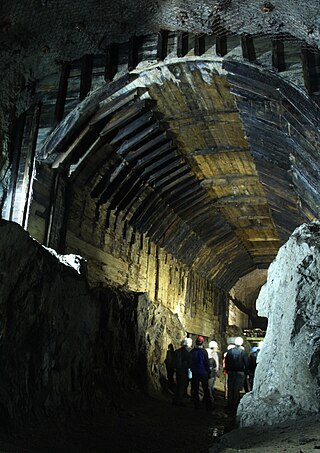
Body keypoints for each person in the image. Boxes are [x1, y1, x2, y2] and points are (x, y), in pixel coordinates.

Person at [224, 336, 248, 411]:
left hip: (231, 372)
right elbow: (246, 363)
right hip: (240, 372)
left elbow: (227, 362)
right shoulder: (243, 352)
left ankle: (230, 404)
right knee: (237, 389)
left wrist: (227, 370)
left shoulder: (230, 351)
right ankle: (236, 404)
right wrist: (246, 372)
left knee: (230, 388)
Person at [190, 335, 212, 410]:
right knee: (206, 389)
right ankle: (208, 405)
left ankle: (196, 405)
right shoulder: (204, 352)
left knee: (195, 389)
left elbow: (190, 362)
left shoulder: (192, 352)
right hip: (203, 372)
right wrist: (208, 371)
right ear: (202, 343)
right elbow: (206, 363)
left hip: (195, 373)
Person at [172, 338, 192, 406]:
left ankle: (175, 399)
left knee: (178, 385)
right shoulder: (186, 352)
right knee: (182, 386)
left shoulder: (178, 351)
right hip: (184, 371)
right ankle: (179, 401)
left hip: (178, 370)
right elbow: (189, 362)